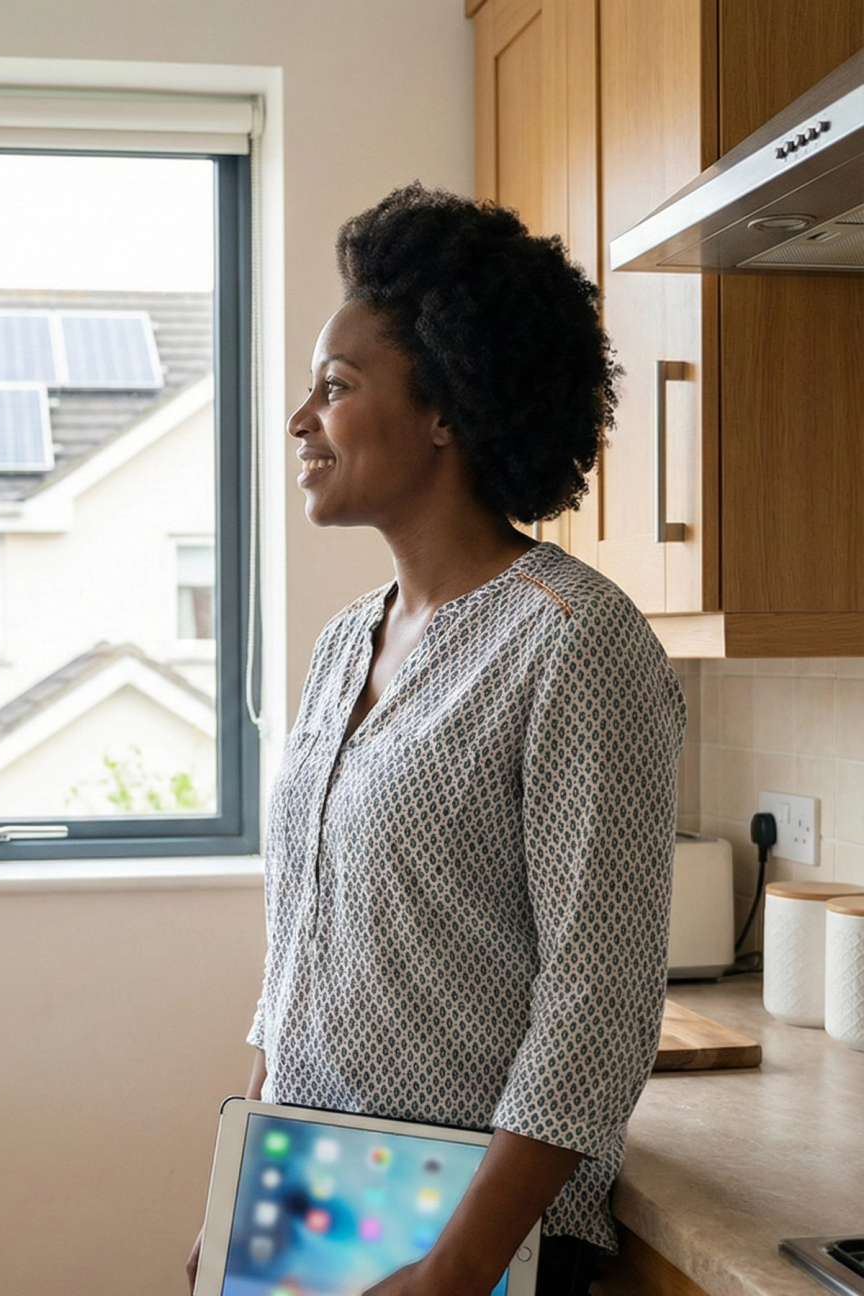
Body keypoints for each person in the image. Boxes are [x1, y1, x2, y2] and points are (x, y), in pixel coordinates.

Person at [186, 184, 686, 1296]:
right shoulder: (336, 650)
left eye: (338, 386)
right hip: (318, 1207)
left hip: (476, 1237)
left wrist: (456, 1268)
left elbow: (596, 1007)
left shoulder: (573, 642)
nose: (301, 421)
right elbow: (300, 950)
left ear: (447, 410)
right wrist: (246, 1203)